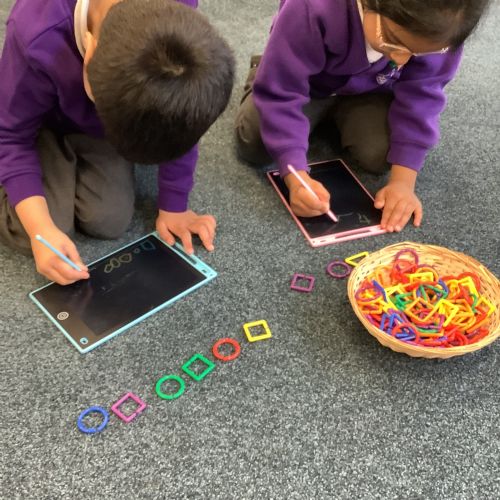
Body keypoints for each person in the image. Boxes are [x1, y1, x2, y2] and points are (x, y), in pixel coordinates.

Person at [0, 0, 234, 285]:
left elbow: (180, 115)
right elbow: (10, 135)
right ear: (89, 54)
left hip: (107, 119)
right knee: (40, 229)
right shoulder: (36, 32)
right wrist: (40, 229)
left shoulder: (178, 14)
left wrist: (175, 205)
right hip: (34, 122)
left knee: (108, 220)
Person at [235, 0, 490, 232]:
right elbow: (281, 91)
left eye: (416, 52)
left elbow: (423, 94)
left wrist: (403, 183)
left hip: (369, 89)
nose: (400, 59)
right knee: (256, 142)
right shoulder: (309, 7)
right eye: (392, 40)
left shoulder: (447, 27)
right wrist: (296, 176)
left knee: (382, 156)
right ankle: (266, 74)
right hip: (303, 83)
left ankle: (326, 120)